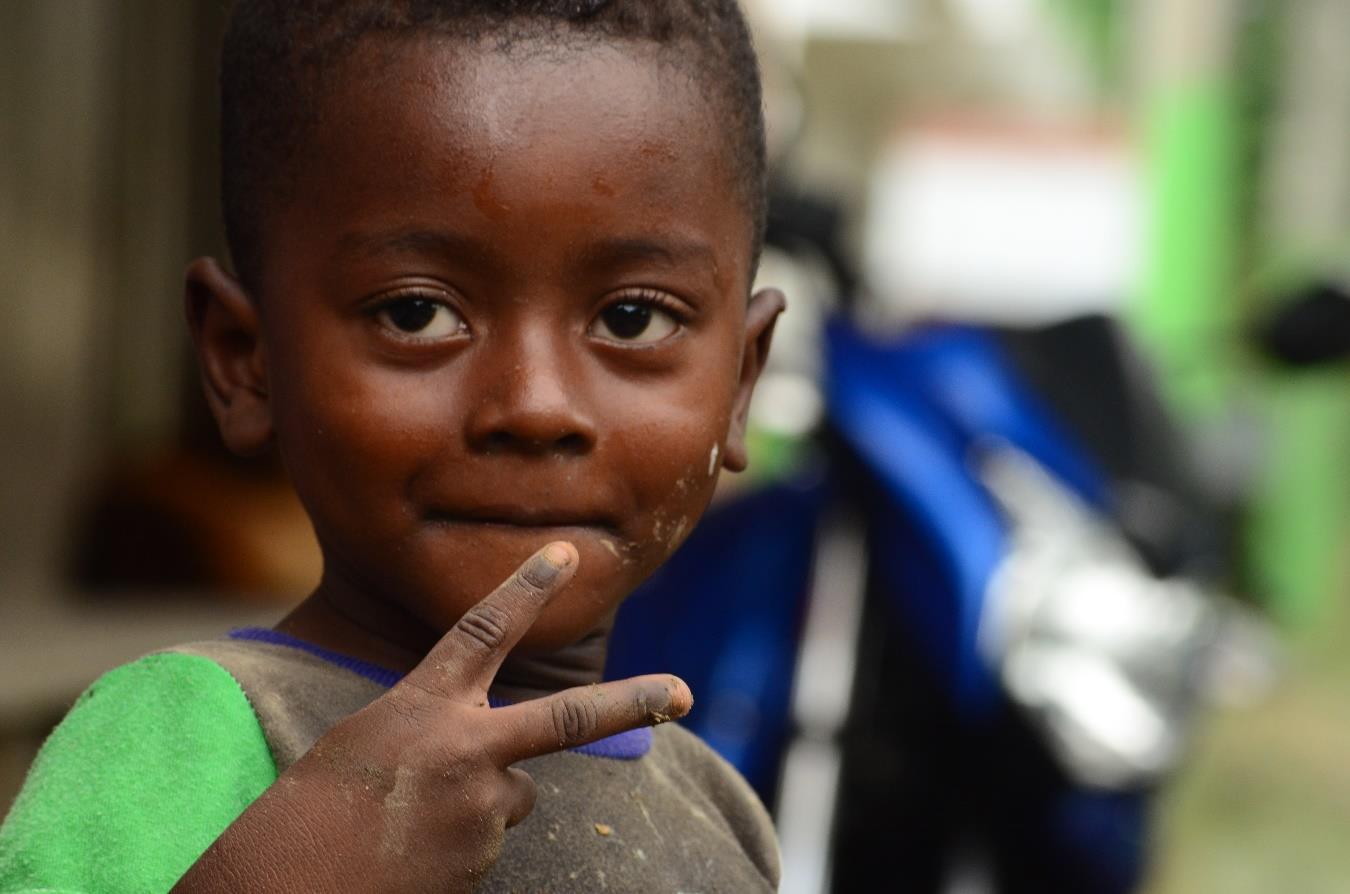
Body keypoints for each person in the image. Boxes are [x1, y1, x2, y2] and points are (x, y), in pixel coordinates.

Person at [0, 1, 786, 891]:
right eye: (417, 313)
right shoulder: (193, 734)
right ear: (244, 361)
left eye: (632, 318)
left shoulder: (717, 808)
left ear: (741, 384)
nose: (534, 406)